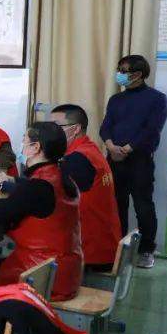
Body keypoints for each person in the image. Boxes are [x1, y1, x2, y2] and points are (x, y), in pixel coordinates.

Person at [0, 121, 83, 301]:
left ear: (36, 147)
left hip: (41, 274)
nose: (22, 145)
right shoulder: (60, 177)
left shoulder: (39, 185)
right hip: (62, 268)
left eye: (24, 140)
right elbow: (18, 205)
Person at [99, 54, 167, 269]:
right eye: (119, 69)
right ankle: (118, 248)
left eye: (123, 70)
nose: (119, 74)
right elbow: (106, 126)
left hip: (139, 160)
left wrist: (128, 148)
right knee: (115, 206)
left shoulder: (157, 98)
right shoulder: (116, 99)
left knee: (143, 206)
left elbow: (152, 129)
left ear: (137, 74)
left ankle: (147, 249)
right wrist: (110, 145)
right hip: (114, 159)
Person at [50, 104, 121, 270]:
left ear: (75, 129)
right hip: (105, 243)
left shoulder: (78, 159)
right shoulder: (89, 149)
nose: (50, 132)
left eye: (55, 127)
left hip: (92, 253)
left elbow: (44, 194)